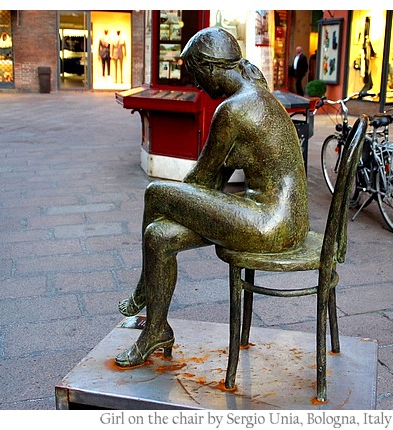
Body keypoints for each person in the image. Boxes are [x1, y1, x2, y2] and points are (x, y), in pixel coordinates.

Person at [115, 27, 309, 367]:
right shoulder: (257, 94)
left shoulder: (233, 110)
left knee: (156, 193)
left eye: (195, 75)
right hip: (284, 221)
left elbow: (201, 181)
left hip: (268, 224)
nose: (197, 86)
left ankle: (145, 286)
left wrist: (178, 200)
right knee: (158, 237)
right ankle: (156, 329)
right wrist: (185, 204)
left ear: (209, 67)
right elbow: (210, 186)